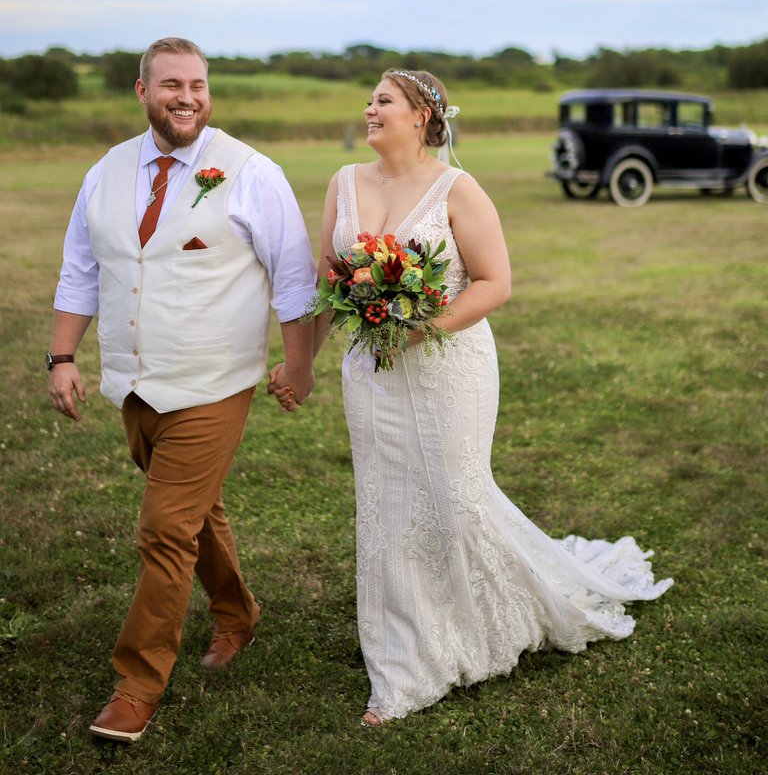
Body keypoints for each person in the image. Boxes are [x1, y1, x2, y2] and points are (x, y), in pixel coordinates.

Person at [314, 69, 673, 726]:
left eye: (384, 101)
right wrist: (300, 363)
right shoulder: (344, 183)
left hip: (449, 365)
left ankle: (488, 619)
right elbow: (327, 282)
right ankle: (402, 659)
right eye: (369, 100)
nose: (370, 109)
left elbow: (494, 282)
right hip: (371, 373)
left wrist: (418, 327)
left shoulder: (459, 188)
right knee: (388, 503)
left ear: (422, 115)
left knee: (454, 498)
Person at [48, 37, 317, 744]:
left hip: (214, 381)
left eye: (198, 84)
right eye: (171, 84)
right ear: (143, 92)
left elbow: (293, 280)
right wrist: (61, 356)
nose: (187, 97)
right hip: (136, 382)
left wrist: (300, 366)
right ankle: (238, 615)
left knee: (165, 528)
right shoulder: (104, 172)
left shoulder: (253, 172)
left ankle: (137, 685)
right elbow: (82, 269)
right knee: (195, 511)